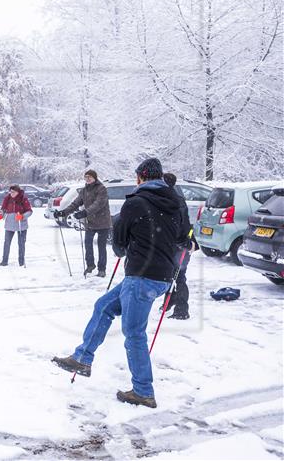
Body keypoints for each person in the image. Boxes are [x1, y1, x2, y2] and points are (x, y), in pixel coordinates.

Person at [52, 158, 188, 408]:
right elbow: (183, 237)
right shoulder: (176, 203)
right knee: (104, 306)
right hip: (161, 276)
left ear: (140, 178)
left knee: (134, 334)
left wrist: (123, 247)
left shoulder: (135, 203)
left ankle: (143, 391)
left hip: (141, 277)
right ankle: (83, 358)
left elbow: (119, 242)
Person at [54, 169, 111, 277]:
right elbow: (75, 203)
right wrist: (63, 212)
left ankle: (102, 269)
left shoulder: (101, 188)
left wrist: (85, 212)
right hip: (90, 222)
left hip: (103, 222)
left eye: (90, 177)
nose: (88, 179)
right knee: (88, 244)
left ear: (95, 178)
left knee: (101, 247)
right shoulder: (84, 190)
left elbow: (98, 204)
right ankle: (90, 265)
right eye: (86, 177)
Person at [163, 172, 194, 320]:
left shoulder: (171, 200)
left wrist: (183, 243)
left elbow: (179, 225)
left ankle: (182, 310)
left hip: (178, 245)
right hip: (179, 243)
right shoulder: (178, 198)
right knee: (171, 275)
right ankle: (170, 300)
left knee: (178, 276)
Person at [0, 185, 33, 267]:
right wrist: (1, 215)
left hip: (21, 225)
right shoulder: (7, 199)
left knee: (21, 243)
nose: (11, 193)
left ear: (18, 192)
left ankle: (21, 261)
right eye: (10, 192)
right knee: (7, 243)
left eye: (13, 192)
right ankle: (4, 261)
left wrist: (22, 216)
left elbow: (30, 211)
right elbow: (3, 209)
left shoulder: (23, 198)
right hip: (9, 224)